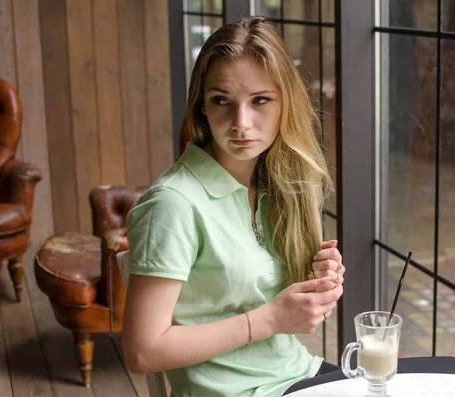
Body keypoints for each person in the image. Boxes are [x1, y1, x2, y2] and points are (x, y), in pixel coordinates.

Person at [121, 16, 346, 397]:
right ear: (202, 107)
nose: (241, 123)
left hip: (297, 375)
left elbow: (264, 300)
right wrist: (272, 319)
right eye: (221, 100)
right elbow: (142, 351)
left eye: (260, 100)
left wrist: (319, 283)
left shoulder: (274, 185)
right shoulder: (173, 206)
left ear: (285, 104)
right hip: (240, 393)